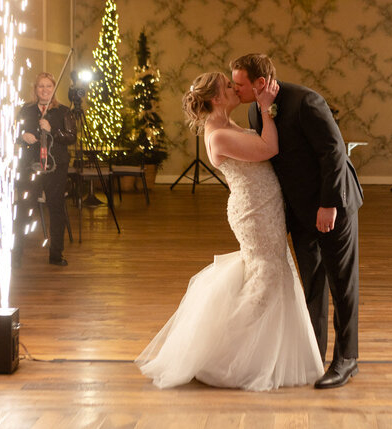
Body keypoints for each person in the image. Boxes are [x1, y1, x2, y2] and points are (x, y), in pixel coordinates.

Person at [135, 72, 323, 391]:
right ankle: (223, 359)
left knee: (268, 273)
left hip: (265, 208)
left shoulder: (227, 124)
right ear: (216, 99)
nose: (235, 89)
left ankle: (261, 355)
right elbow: (268, 148)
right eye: (227, 86)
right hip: (254, 212)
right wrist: (266, 108)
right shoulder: (218, 135)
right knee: (266, 277)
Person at [231, 54, 364, 389]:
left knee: (342, 283)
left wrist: (328, 204)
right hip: (300, 212)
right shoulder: (255, 112)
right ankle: (313, 354)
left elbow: (334, 152)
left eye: (239, 84)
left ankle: (347, 359)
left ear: (260, 83)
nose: (235, 89)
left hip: (333, 206)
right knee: (312, 283)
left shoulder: (306, 101)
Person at [14, 72, 76, 267]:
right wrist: (22, 136)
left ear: (54, 89)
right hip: (30, 166)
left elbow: (71, 137)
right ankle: (15, 255)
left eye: (48, 86)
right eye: (41, 86)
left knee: (56, 208)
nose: (44, 90)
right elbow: (14, 131)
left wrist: (52, 131)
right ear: (35, 89)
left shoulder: (63, 111)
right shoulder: (26, 110)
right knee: (24, 209)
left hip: (56, 167)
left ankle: (56, 254)